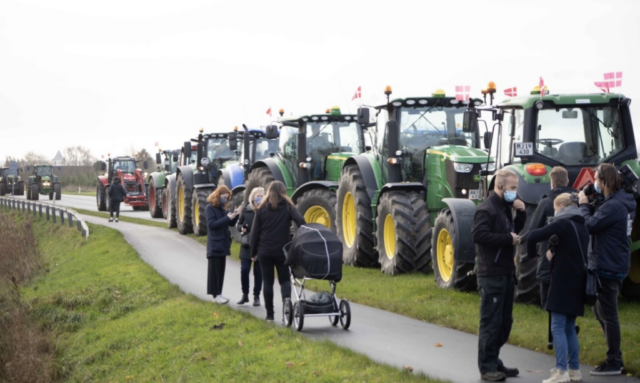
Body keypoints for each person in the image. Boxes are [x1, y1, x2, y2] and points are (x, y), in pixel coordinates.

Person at [578, 163, 636, 375]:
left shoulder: (614, 206)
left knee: (608, 313)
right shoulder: (623, 202)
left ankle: (614, 361)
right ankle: (614, 356)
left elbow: (591, 225)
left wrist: (583, 205)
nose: (595, 182)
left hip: (608, 265)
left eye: (596, 179)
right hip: (614, 261)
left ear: (604, 181)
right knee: (599, 310)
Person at [471, 168, 526, 382]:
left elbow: (514, 231)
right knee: (491, 322)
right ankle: (487, 367)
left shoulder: (505, 208)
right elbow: (478, 234)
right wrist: (506, 239)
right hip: (490, 274)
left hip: (505, 273)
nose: (515, 192)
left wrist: (521, 213)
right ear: (500, 186)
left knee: (505, 322)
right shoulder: (487, 209)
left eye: (516, 188)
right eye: (513, 188)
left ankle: (494, 360)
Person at [527, 193, 588, 383]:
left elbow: (533, 235)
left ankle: (561, 371)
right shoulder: (582, 226)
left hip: (562, 282)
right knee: (569, 327)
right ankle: (574, 370)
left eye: (555, 208)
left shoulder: (562, 223)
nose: (554, 211)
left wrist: (532, 255)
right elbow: (572, 251)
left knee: (557, 327)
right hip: (578, 281)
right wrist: (554, 251)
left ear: (561, 207)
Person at [250, 181, 306, 321]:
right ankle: (286, 310)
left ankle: (270, 315)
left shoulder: (261, 208)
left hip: (264, 251)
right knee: (284, 280)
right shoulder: (288, 206)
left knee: (268, 282)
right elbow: (301, 221)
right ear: (283, 191)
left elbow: (254, 233)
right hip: (282, 251)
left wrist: (253, 252)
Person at [525, 166, 576, 307]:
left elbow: (533, 230)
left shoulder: (546, 202)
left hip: (549, 259)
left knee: (547, 300)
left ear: (552, 183)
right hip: (573, 259)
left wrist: (533, 252)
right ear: (567, 181)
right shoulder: (578, 202)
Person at [206, 185, 240, 304]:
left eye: (227, 198)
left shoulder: (223, 209)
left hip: (223, 244)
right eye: (223, 197)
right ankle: (215, 295)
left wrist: (235, 215)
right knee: (214, 272)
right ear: (217, 196)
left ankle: (219, 294)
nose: (225, 200)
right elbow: (212, 225)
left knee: (221, 271)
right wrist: (227, 218)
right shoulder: (210, 208)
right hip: (214, 245)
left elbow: (230, 224)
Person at [235, 187, 264, 306]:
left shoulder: (265, 210)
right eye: (257, 196)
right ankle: (245, 294)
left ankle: (256, 296)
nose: (259, 198)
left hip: (260, 246)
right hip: (247, 245)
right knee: (244, 270)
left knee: (258, 272)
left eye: (261, 196)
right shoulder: (246, 209)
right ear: (252, 197)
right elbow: (238, 224)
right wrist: (242, 228)